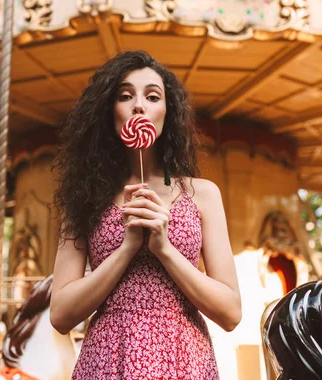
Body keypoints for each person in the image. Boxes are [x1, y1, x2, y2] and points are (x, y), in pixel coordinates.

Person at [50, 50, 241, 379]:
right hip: (109, 358)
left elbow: (230, 313)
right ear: (109, 110)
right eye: (125, 96)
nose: (139, 105)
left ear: (167, 111)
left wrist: (163, 248)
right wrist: (127, 247)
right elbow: (61, 314)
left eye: (152, 96)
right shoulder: (84, 198)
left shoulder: (203, 194)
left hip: (184, 358)